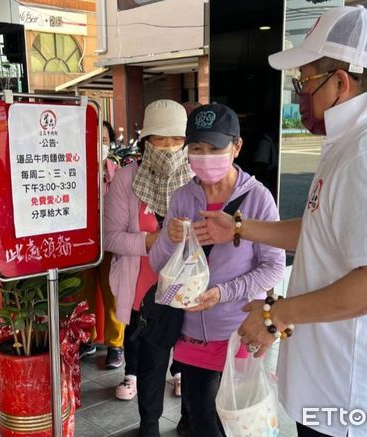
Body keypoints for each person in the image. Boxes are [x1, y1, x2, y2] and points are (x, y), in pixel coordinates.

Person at [193, 6, 367, 437]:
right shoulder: (351, 143)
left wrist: (276, 315)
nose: (300, 95)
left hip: (354, 402)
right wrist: (241, 227)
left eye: (305, 82)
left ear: (341, 82)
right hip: (334, 388)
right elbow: (322, 230)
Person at [150, 103, 286, 437]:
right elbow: (158, 264)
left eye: (215, 148)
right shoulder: (183, 197)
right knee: (203, 421)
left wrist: (223, 293)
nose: (205, 157)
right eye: (196, 148)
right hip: (190, 333)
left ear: (236, 147)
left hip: (238, 334)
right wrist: (168, 239)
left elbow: (273, 267)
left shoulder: (258, 199)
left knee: (237, 424)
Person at [103, 100, 191, 430]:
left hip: (188, 287)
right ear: (145, 141)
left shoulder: (196, 177)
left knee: (189, 355)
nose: (169, 148)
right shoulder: (127, 179)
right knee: (152, 360)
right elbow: (110, 238)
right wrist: (152, 240)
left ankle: (189, 418)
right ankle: (149, 423)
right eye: (160, 139)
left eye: (176, 139)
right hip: (145, 288)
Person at [78, 120, 125, 369]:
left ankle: (116, 344)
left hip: (111, 241)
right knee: (82, 293)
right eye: (94, 138)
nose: (100, 144)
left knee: (113, 293)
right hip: (83, 242)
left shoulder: (118, 172)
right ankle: (86, 339)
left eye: (104, 139)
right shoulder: (74, 170)